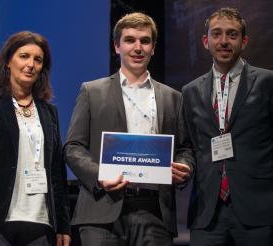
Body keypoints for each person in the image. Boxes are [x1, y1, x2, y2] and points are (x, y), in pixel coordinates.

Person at [64, 12, 194, 246]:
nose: (138, 47)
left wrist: (185, 166)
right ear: (117, 46)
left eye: (145, 41)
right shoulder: (92, 91)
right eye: (130, 40)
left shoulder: (173, 97)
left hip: (154, 212)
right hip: (101, 210)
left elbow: (185, 148)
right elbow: (73, 147)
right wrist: (99, 176)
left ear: (153, 48)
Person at [0, 31, 71, 246]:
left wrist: (63, 225)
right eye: (24, 56)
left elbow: (57, 173)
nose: (30, 64)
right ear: (7, 62)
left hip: (41, 225)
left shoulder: (49, 113)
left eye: (37, 59)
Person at [182, 7, 273, 246]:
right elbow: (190, 146)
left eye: (232, 35)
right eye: (217, 34)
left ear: (244, 41)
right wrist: (184, 166)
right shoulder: (190, 91)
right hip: (207, 212)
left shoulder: (267, 82)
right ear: (205, 41)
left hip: (259, 210)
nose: (224, 41)